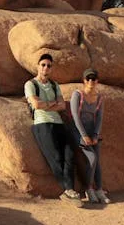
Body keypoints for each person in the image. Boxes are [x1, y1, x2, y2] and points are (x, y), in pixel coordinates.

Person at [24, 53, 82, 207]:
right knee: (55, 158)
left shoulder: (55, 85)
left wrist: (47, 103)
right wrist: (53, 104)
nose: (46, 68)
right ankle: (69, 190)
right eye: (43, 65)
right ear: (38, 66)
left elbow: (62, 105)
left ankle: (69, 191)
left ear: (51, 68)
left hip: (59, 123)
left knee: (69, 154)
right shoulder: (30, 84)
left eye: (49, 65)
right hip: (43, 123)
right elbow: (36, 105)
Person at [70, 68, 111, 204]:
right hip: (78, 131)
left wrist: (95, 135)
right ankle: (88, 188)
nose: (91, 81)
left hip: (92, 132)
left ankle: (99, 189)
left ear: (97, 81)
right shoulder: (77, 95)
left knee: (97, 161)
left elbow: (99, 119)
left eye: (93, 79)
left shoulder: (99, 99)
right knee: (92, 158)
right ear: (84, 81)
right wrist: (84, 136)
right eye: (88, 79)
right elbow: (75, 117)